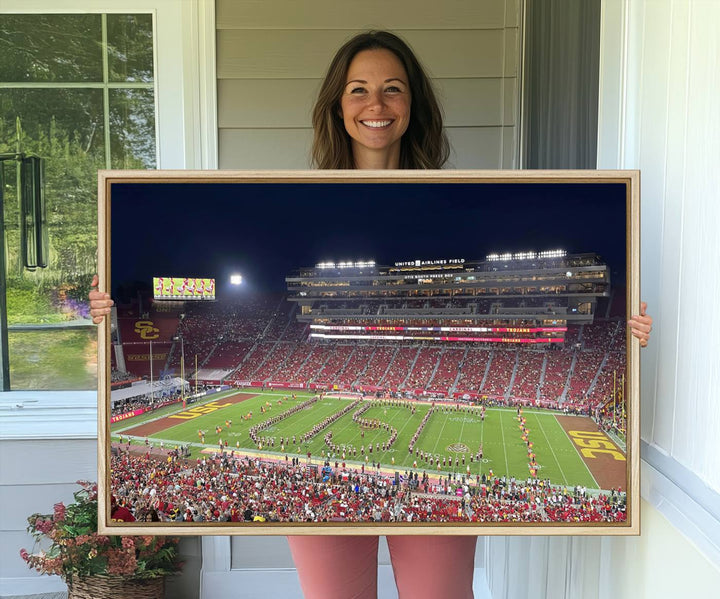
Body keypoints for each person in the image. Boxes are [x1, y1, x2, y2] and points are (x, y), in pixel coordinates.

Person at [90, 30, 653, 599]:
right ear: (338, 104)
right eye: (358, 90)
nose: (376, 104)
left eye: (393, 89)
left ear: (413, 105)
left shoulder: (463, 195)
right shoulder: (301, 197)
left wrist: (627, 332)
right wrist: (105, 309)